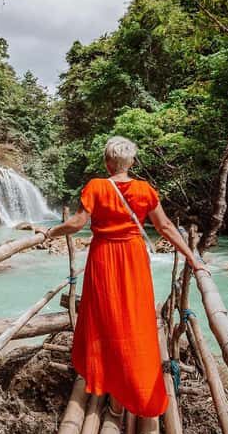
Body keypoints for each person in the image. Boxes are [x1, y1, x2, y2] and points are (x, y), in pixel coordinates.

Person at [42, 136, 209, 419]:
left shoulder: (96, 186)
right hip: (133, 258)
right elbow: (166, 227)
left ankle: (108, 382)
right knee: (133, 320)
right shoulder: (145, 190)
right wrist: (193, 258)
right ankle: (129, 392)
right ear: (130, 162)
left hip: (104, 257)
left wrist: (48, 233)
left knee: (104, 318)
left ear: (108, 162)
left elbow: (77, 223)